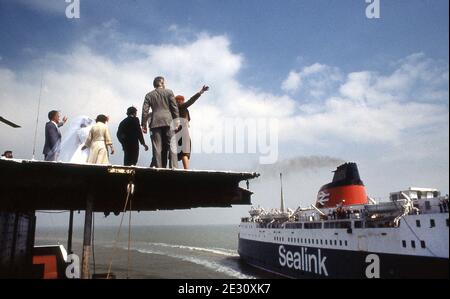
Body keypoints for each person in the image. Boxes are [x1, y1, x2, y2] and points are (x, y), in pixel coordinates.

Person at [141, 76, 179, 168]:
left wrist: (144, 124)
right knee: (172, 144)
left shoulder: (149, 95)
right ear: (162, 83)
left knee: (157, 146)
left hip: (155, 122)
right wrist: (177, 121)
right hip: (168, 121)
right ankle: (174, 167)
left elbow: (145, 110)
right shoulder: (169, 92)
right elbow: (174, 108)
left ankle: (158, 167)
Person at [175, 85, 209, 169]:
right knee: (185, 151)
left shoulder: (174, 109)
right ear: (181, 101)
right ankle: (186, 169)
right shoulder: (182, 107)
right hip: (183, 130)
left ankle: (174, 167)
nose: (184, 102)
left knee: (176, 151)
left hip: (175, 131)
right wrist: (201, 92)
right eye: (182, 100)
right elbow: (191, 100)